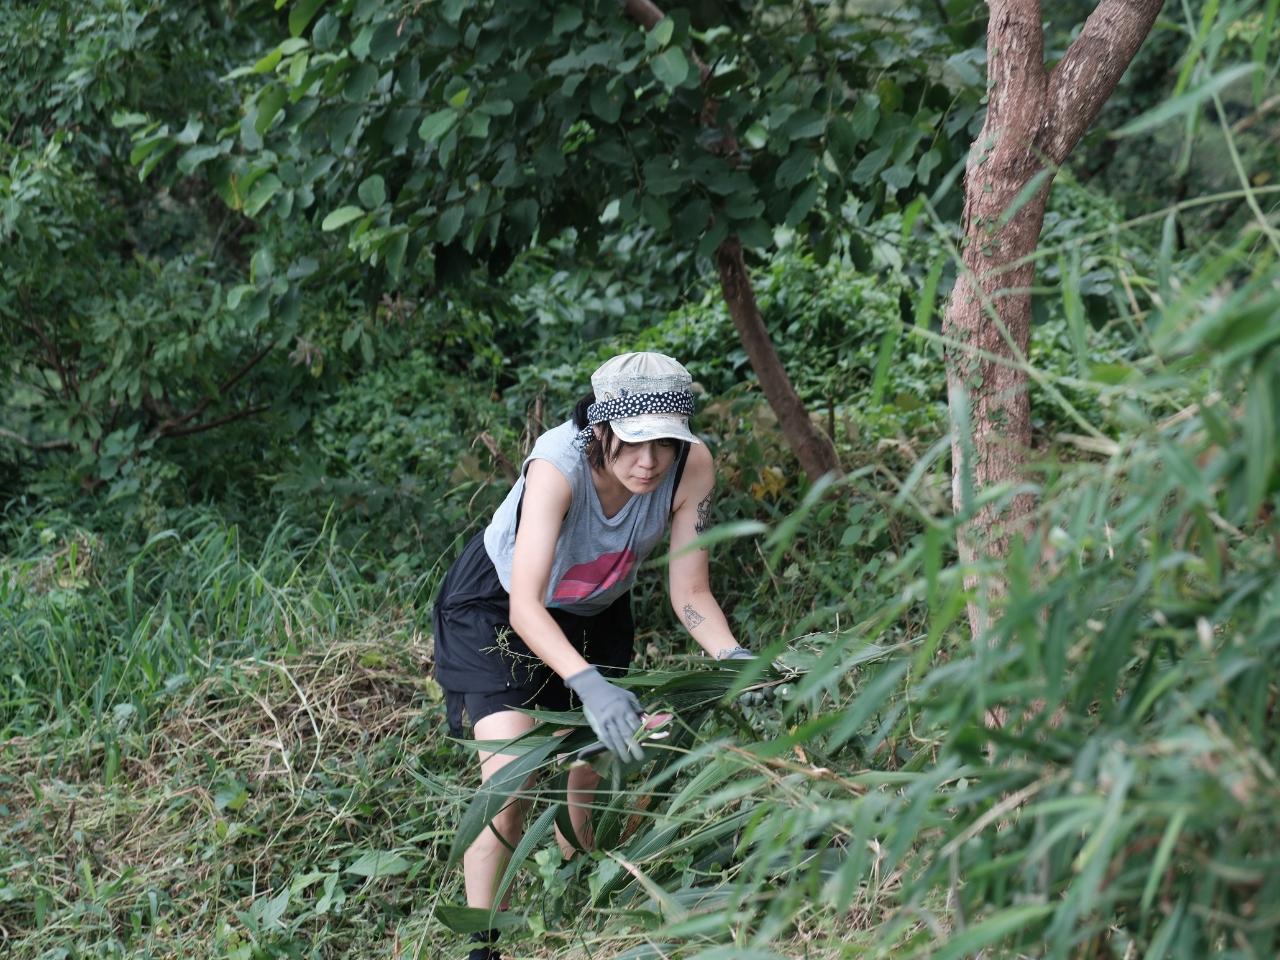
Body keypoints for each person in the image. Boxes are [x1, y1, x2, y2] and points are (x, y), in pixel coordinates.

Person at [432, 351, 754, 960]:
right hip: (498, 608)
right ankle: (483, 945)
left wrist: (735, 657)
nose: (649, 461)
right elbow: (526, 606)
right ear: (599, 426)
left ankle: (586, 910)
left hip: (596, 611)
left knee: (597, 771)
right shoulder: (559, 466)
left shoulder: (693, 468)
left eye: (664, 441)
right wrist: (588, 684)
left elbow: (690, 592)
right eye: (633, 442)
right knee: (513, 777)